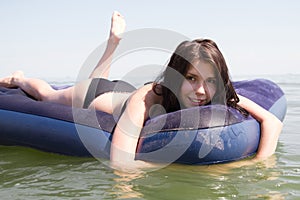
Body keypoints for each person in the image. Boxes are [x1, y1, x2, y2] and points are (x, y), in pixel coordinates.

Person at [0, 11, 283, 170]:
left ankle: (112, 44)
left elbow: (271, 121)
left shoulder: (217, 96)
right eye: (191, 78)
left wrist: (258, 165)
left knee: (102, 77)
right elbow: (121, 162)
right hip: (97, 96)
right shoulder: (147, 97)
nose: (201, 90)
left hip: (121, 91)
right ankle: (20, 79)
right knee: (48, 94)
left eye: (210, 81)